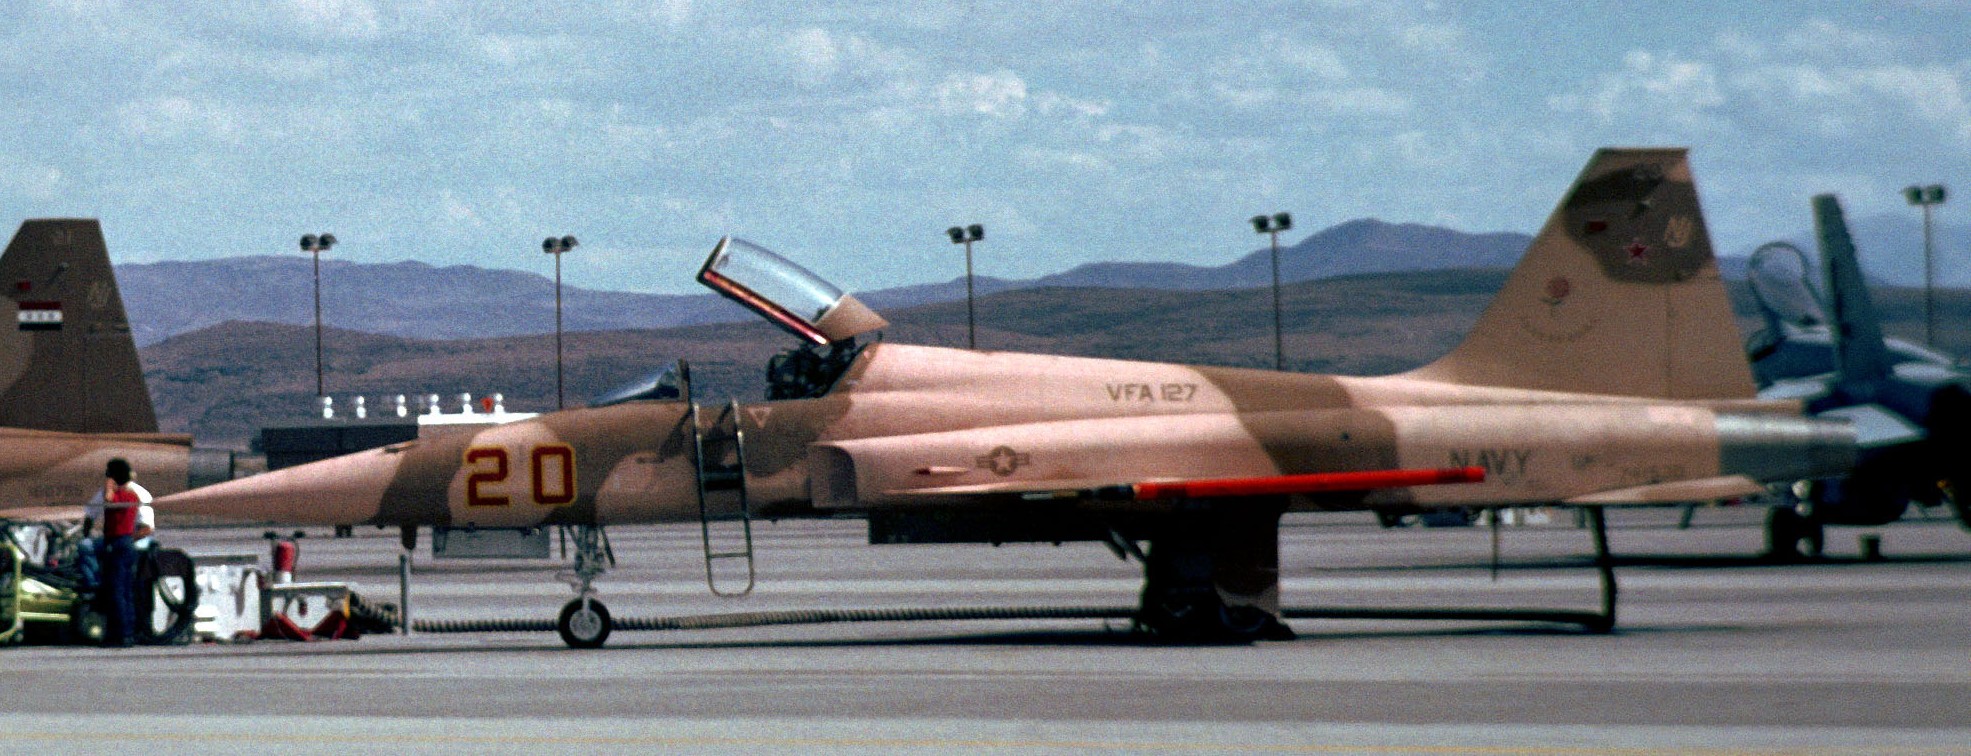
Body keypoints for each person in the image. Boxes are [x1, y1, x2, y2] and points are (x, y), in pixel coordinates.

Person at [85, 458, 152, 647]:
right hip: (126, 543)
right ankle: (128, 631)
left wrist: (108, 483)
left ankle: (119, 633)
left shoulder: (122, 496)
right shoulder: (133, 495)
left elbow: (108, 499)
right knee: (126, 590)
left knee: (116, 590)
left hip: (117, 541)